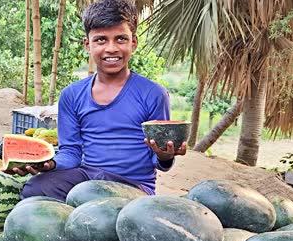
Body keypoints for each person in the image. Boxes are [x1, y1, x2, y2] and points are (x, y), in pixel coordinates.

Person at [12, 0, 187, 201]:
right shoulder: (71, 95)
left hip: (134, 185)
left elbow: (158, 157)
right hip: (86, 177)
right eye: (101, 40)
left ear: (134, 42)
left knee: (89, 198)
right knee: (35, 188)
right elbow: (71, 152)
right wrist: (50, 164)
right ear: (88, 44)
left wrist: (166, 156)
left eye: (121, 39)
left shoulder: (154, 94)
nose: (111, 48)